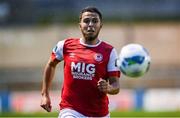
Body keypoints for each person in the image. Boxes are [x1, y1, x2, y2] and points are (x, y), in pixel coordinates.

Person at [40, 6, 121, 118]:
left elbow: (115, 85)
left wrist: (108, 88)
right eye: (86, 21)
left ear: (100, 25)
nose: (90, 24)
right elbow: (51, 64)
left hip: (99, 113)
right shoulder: (65, 46)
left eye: (95, 21)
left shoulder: (110, 52)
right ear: (80, 25)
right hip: (70, 110)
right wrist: (45, 94)